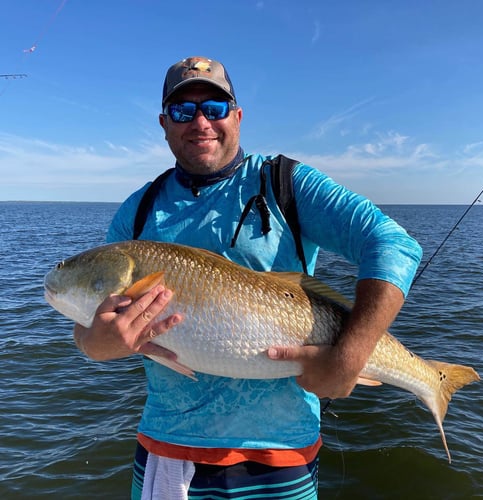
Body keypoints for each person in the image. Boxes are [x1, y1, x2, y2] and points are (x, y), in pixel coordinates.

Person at [73, 56, 422, 499]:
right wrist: (99, 344)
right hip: (170, 452)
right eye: (183, 111)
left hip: (282, 456)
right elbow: (90, 334)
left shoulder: (286, 183)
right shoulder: (137, 212)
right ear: (163, 124)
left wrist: (349, 355)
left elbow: (395, 244)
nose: (200, 122)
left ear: (237, 117)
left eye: (214, 108)